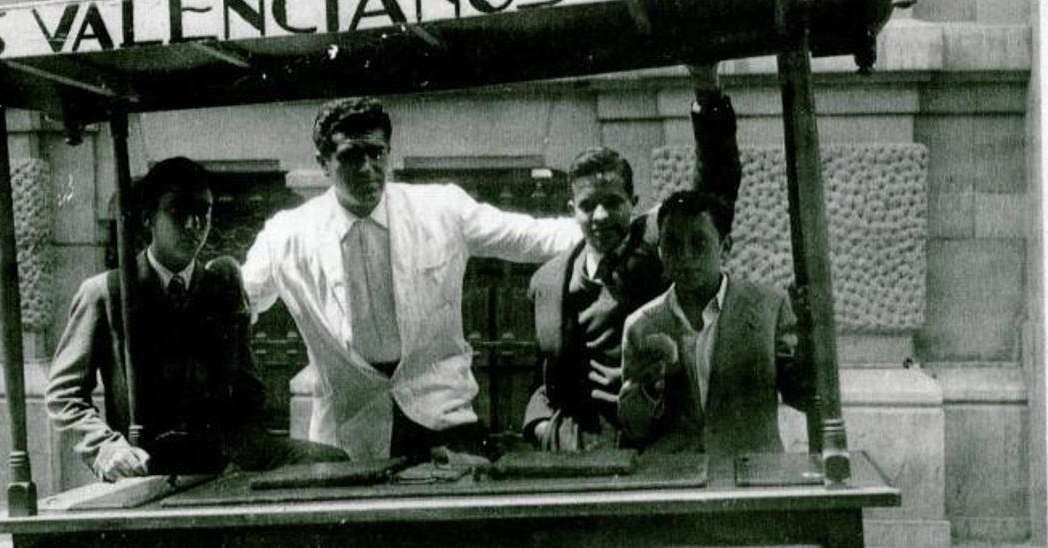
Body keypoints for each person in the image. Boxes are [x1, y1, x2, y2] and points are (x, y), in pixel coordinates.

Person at [242, 97, 582, 460]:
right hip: (347, 435)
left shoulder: (441, 209)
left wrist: (626, 227)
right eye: (350, 155)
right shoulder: (286, 235)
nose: (367, 168)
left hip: (443, 417)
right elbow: (236, 301)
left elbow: (532, 237)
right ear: (322, 163)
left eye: (377, 154)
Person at [44, 157, 347, 482]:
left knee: (333, 463)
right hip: (148, 463)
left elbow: (249, 389)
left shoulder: (221, 287)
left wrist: (242, 443)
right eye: (179, 212)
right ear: (148, 219)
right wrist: (106, 449)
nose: (194, 225)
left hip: (225, 457)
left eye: (202, 212)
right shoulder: (107, 293)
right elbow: (64, 395)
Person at [521, 64, 742, 451]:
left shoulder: (660, 243)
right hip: (585, 454)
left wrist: (707, 93)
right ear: (571, 208)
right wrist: (541, 427)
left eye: (613, 203)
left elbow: (716, 184)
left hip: (662, 447)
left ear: (633, 203)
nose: (601, 216)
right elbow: (542, 374)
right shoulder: (549, 281)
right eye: (588, 205)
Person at [617, 190, 815, 455]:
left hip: (749, 477)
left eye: (699, 243)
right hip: (676, 480)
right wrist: (649, 388)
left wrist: (810, 332)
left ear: (725, 248)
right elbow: (632, 427)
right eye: (673, 244)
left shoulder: (769, 308)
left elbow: (804, 396)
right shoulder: (642, 325)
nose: (685, 256)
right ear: (660, 252)